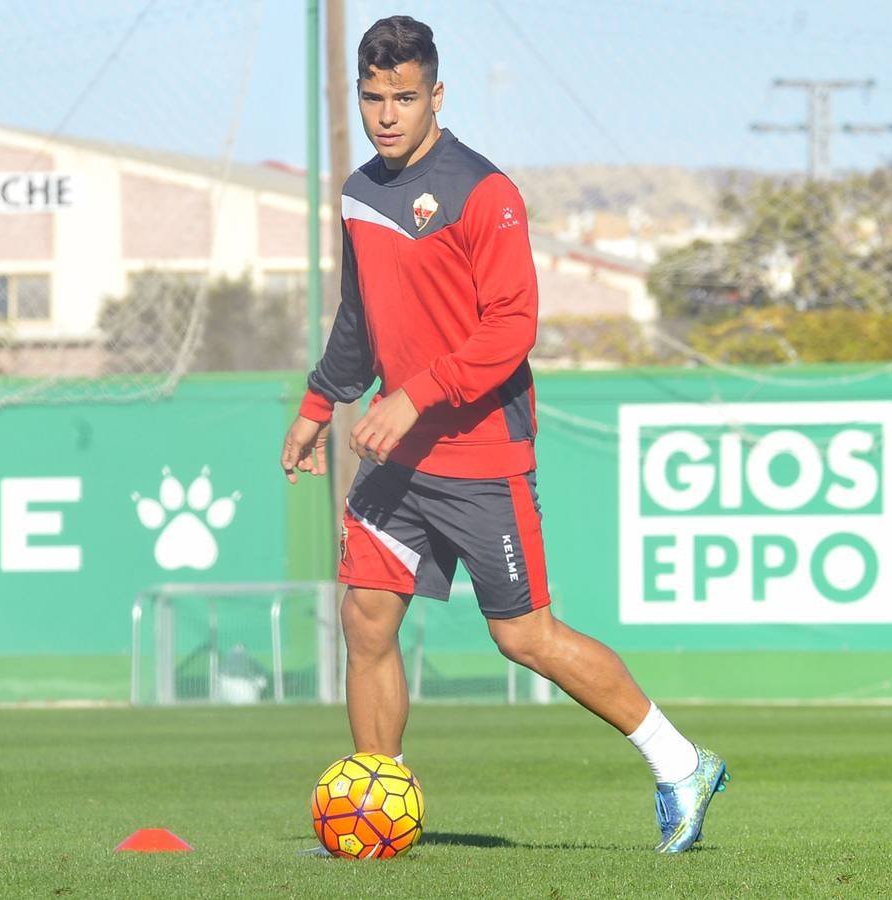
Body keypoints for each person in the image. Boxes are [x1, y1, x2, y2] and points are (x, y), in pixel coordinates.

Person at [280, 15, 728, 854]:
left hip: (481, 455)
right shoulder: (358, 194)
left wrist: (414, 397)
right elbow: (359, 319)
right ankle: (376, 811)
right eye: (372, 97)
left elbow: (511, 327)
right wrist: (317, 404)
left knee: (524, 636)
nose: (386, 113)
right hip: (394, 460)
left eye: (404, 98)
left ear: (436, 96)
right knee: (366, 617)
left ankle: (681, 763)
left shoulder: (486, 193)